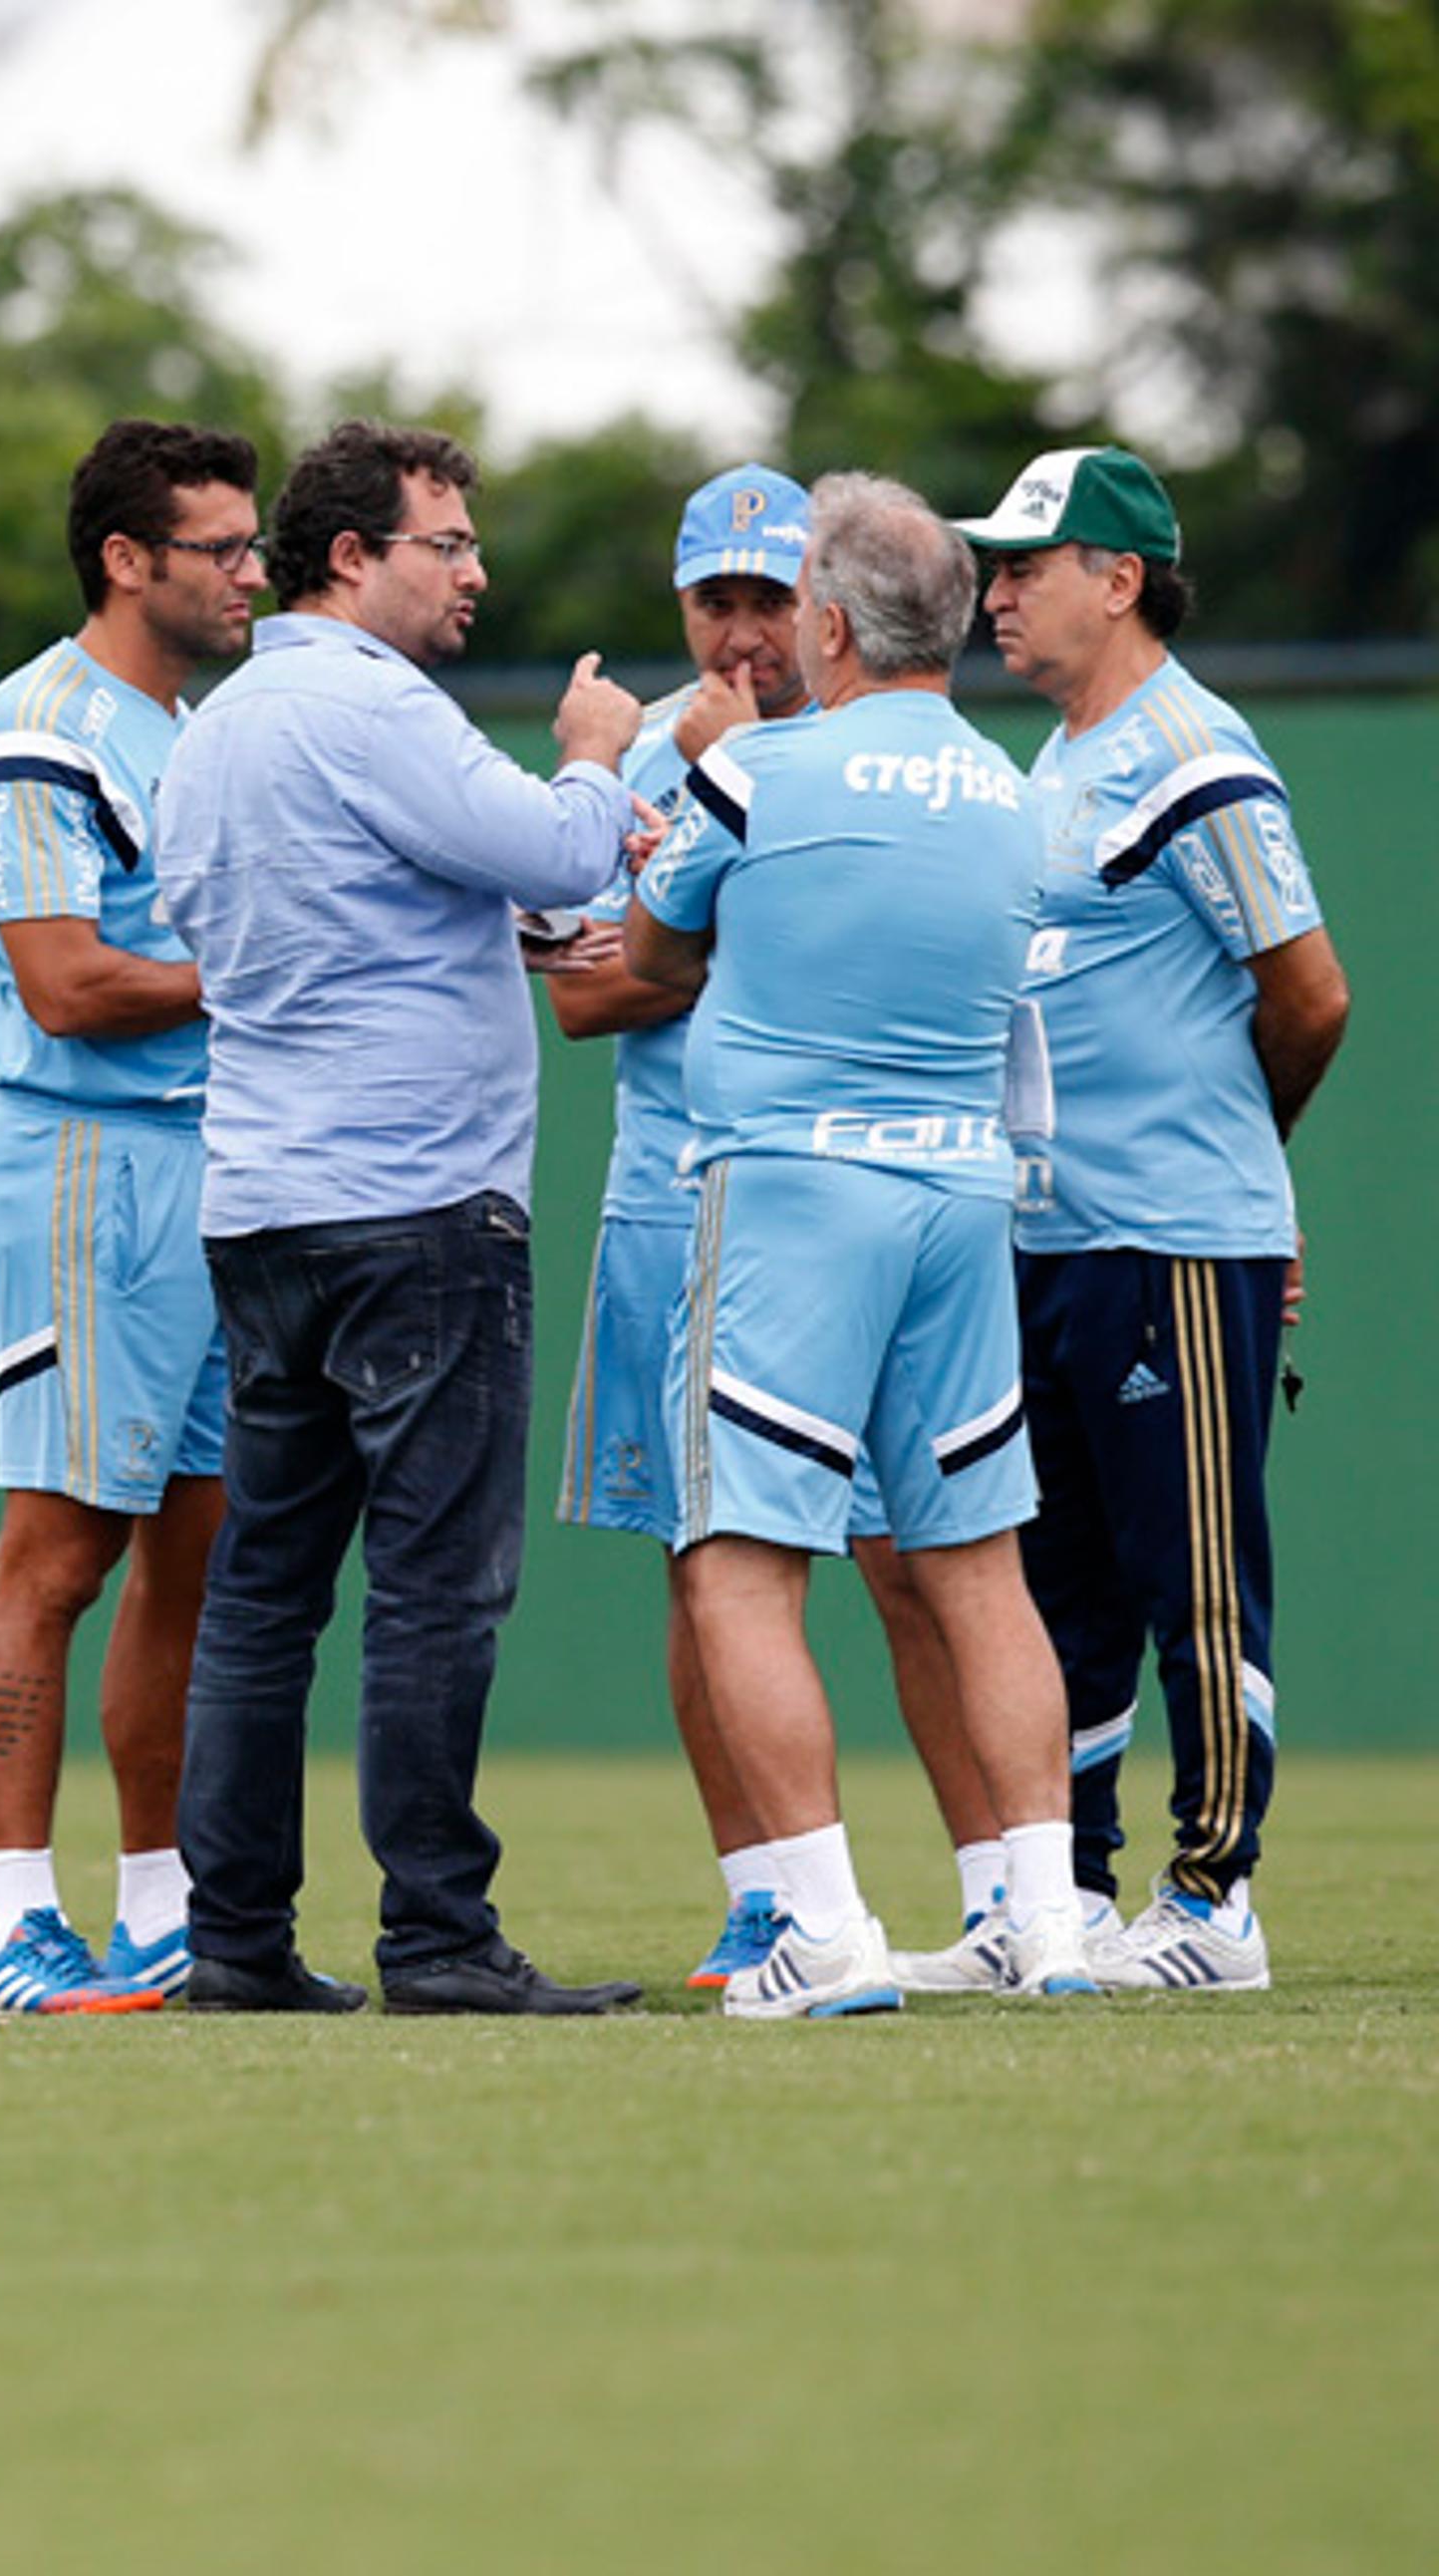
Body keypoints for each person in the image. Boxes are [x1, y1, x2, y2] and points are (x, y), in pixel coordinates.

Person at [143, 418, 649, 2017]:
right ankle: (436, 1936)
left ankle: (234, 1943)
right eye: (448, 542)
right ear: (351, 556)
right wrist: (595, 746)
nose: (476, 571)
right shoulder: (375, 705)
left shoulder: (212, 727)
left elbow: (238, 918)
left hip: (263, 1207)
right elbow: (567, 851)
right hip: (419, 1203)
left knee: (263, 1588)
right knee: (438, 1585)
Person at [628, 470, 1093, 2018]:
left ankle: (820, 1930)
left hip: (787, 1193)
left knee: (739, 1564)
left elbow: (649, 948)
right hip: (963, 1194)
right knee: (978, 1565)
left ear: (826, 620)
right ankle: (1048, 1916)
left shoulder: (760, 776)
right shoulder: (1019, 795)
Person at [542, 466, 987, 1992]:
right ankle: (766, 1896)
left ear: (824, 602)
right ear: (684, 603)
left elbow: (661, 958)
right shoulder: (662, 755)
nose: (745, 635)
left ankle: (996, 1885)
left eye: (768, 599)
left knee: (915, 1552)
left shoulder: (884, 746)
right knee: (707, 1552)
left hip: (847, 1193)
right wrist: (776, 936)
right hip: (677, 1194)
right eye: (715, 601)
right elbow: (586, 989)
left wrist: (720, 934)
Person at [952, 445, 1350, 1991]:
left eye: (1026, 566)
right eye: (992, 568)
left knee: (1194, 1572)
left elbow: (1309, 993)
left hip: (1173, 1231)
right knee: (1070, 1588)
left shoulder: (1196, 750)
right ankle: (1072, 1894)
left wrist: (1240, 1170)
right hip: (1051, 1235)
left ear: (1120, 580)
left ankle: (1214, 1898)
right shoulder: (1059, 759)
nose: (997, 592)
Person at [0, 420, 271, 2015]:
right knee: (58, 1548)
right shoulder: (37, 724)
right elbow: (67, 986)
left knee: (196, 1559)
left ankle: (162, 1909)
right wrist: (274, 980)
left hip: (212, 1171)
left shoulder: (195, 727)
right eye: (220, 547)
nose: (252, 573)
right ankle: (17, 1916)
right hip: (86, 1163)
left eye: (253, 542)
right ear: (126, 560)